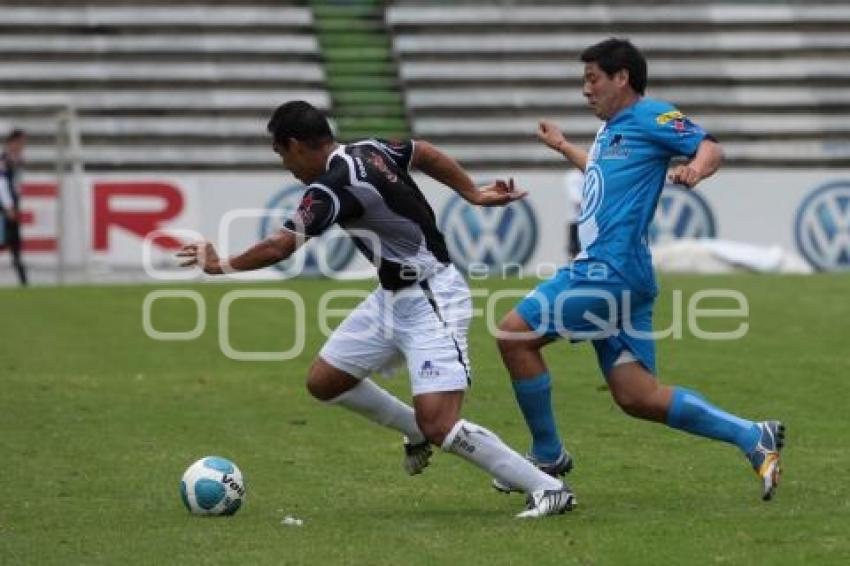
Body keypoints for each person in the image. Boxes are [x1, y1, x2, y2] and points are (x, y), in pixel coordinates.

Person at [178, 100, 575, 518]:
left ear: (295, 145)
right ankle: (414, 432)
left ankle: (548, 488)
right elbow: (423, 151)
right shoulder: (370, 148)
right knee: (325, 382)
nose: (286, 168)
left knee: (440, 422)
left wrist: (219, 264)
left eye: (281, 155)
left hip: (431, 298)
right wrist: (471, 193)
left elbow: (281, 245)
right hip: (391, 298)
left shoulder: (330, 186)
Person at [493, 39, 784, 502]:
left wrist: (696, 169)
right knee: (637, 396)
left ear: (622, 77)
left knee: (514, 334)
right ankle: (753, 435)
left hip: (608, 271)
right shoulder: (611, 130)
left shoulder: (651, 116)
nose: (585, 90)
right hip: (627, 279)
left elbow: (709, 146)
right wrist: (564, 146)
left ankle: (547, 457)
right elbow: (603, 181)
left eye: (593, 79)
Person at [0, 128, 28, 286]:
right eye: (21, 142)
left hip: (11, 206)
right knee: (8, 242)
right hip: (5, 208)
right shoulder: (4, 160)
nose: (23, 145)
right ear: (12, 142)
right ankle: (24, 283)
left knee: (14, 243)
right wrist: (8, 206)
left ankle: (24, 283)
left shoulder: (17, 160)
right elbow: (1, 183)